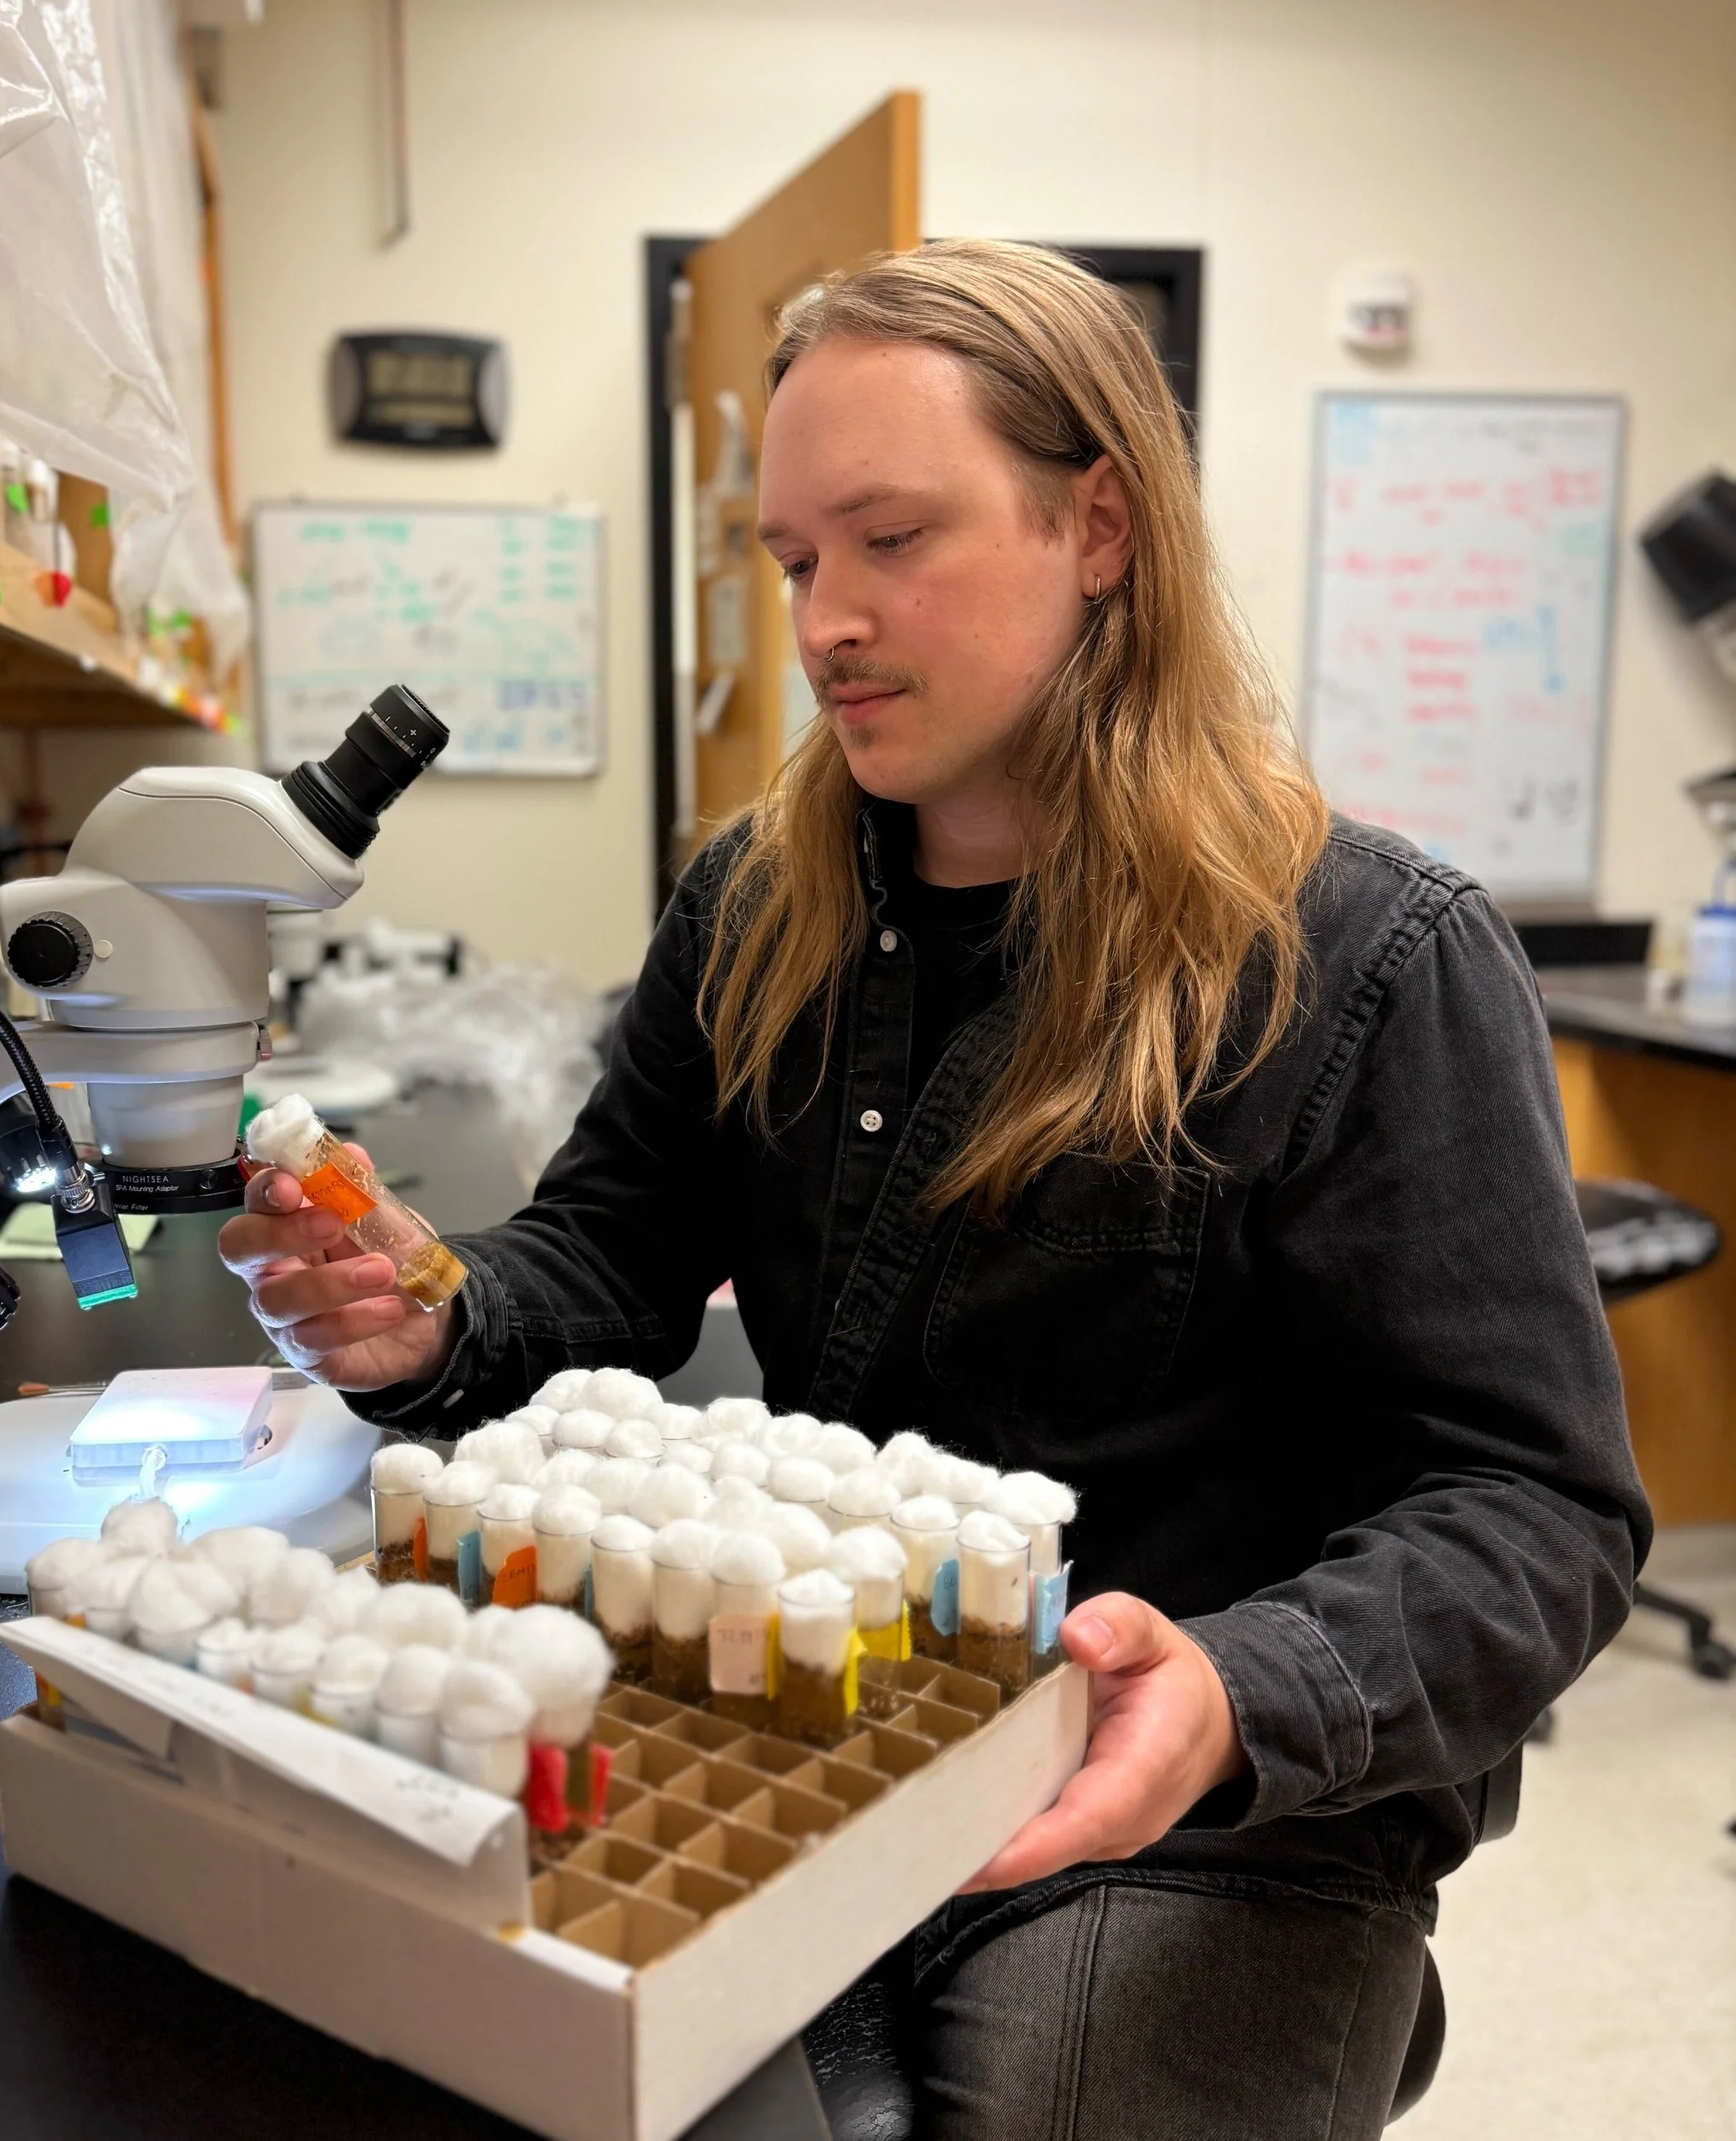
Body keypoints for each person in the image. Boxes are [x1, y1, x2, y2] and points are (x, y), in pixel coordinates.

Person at [220, 240, 1648, 2139]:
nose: (825, 621)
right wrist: (443, 1310)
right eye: (796, 558)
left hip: (1202, 1802)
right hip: (829, 1718)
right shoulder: (752, 903)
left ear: (1100, 525)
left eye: (891, 537)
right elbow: (609, 1255)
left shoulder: (1363, 955)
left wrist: (1227, 1690)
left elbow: (1531, 1509)